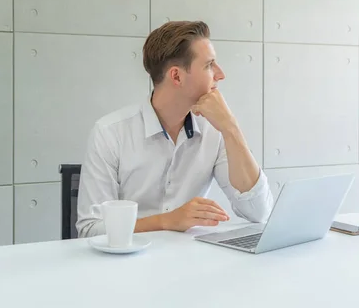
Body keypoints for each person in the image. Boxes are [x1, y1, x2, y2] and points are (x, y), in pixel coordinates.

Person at [76, 20, 274, 238]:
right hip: (127, 265)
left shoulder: (215, 130)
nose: (220, 74)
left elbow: (259, 212)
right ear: (176, 76)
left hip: (189, 262)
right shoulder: (110, 133)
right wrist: (168, 221)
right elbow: (91, 230)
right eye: (209, 65)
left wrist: (231, 128)